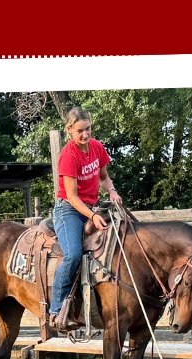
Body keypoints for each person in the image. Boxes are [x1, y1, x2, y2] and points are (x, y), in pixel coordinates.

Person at [46, 106, 123, 333]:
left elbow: (104, 178)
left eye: (88, 129)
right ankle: (56, 311)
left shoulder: (97, 147)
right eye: (80, 130)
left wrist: (112, 191)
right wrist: (93, 215)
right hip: (68, 209)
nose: (85, 134)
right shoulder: (68, 156)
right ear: (69, 129)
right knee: (72, 255)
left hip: (92, 207)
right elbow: (71, 196)